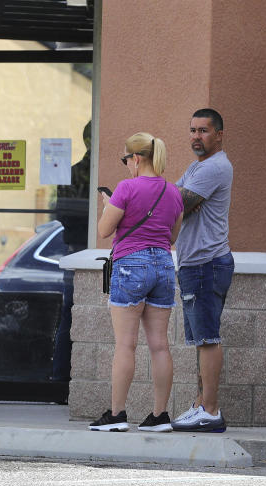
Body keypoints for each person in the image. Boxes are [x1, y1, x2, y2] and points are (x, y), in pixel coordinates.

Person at [88, 132, 183, 433]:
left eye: (126, 159)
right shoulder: (174, 192)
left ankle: (117, 415)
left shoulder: (126, 188)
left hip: (131, 264)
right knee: (159, 345)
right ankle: (160, 415)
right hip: (164, 266)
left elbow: (104, 230)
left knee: (125, 345)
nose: (127, 164)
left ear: (137, 158)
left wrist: (108, 204)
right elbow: (171, 237)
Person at [169, 108, 235, 433]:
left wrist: (137, 198)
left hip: (206, 265)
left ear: (219, 134)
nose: (196, 136)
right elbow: (171, 196)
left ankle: (210, 410)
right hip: (196, 264)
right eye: (193, 130)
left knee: (208, 338)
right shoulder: (198, 166)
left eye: (204, 131)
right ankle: (200, 403)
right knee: (201, 339)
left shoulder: (214, 167)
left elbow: (176, 202)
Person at [51, 120, 92, 384]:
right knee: (71, 312)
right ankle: (62, 379)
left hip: (80, 248)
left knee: (71, 313)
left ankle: (61, 378)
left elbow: (62, 213)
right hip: (79, 249)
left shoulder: (74, 173)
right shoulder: (75, 174)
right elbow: (65, 213)